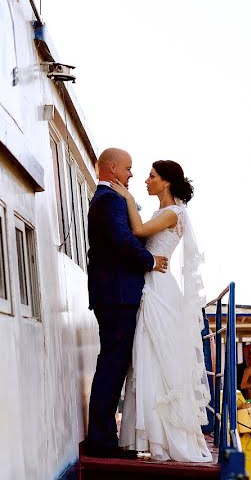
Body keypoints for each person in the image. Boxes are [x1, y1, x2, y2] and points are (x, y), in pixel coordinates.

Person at [109, 160, 212, 462]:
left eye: (152, 176)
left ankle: (162, 439)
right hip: (153, 282)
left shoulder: (172, 213)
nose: (146, 180)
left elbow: (139, 230)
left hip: (158, 288)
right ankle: (152, 436)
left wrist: (126, 198)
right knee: (148, 357)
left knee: (155, 356)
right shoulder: (164, 213)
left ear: (166, 182)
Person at [85, 148, 169, 460]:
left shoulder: (110, 199)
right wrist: (150, 260)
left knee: (114, 364)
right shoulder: (109, 200)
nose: (131, 175)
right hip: (116, 295)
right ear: (111, 168)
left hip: (114, 294)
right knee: (112, 364)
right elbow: (121, 240)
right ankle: (102, 441)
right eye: (128, 168)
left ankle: (105, 436)